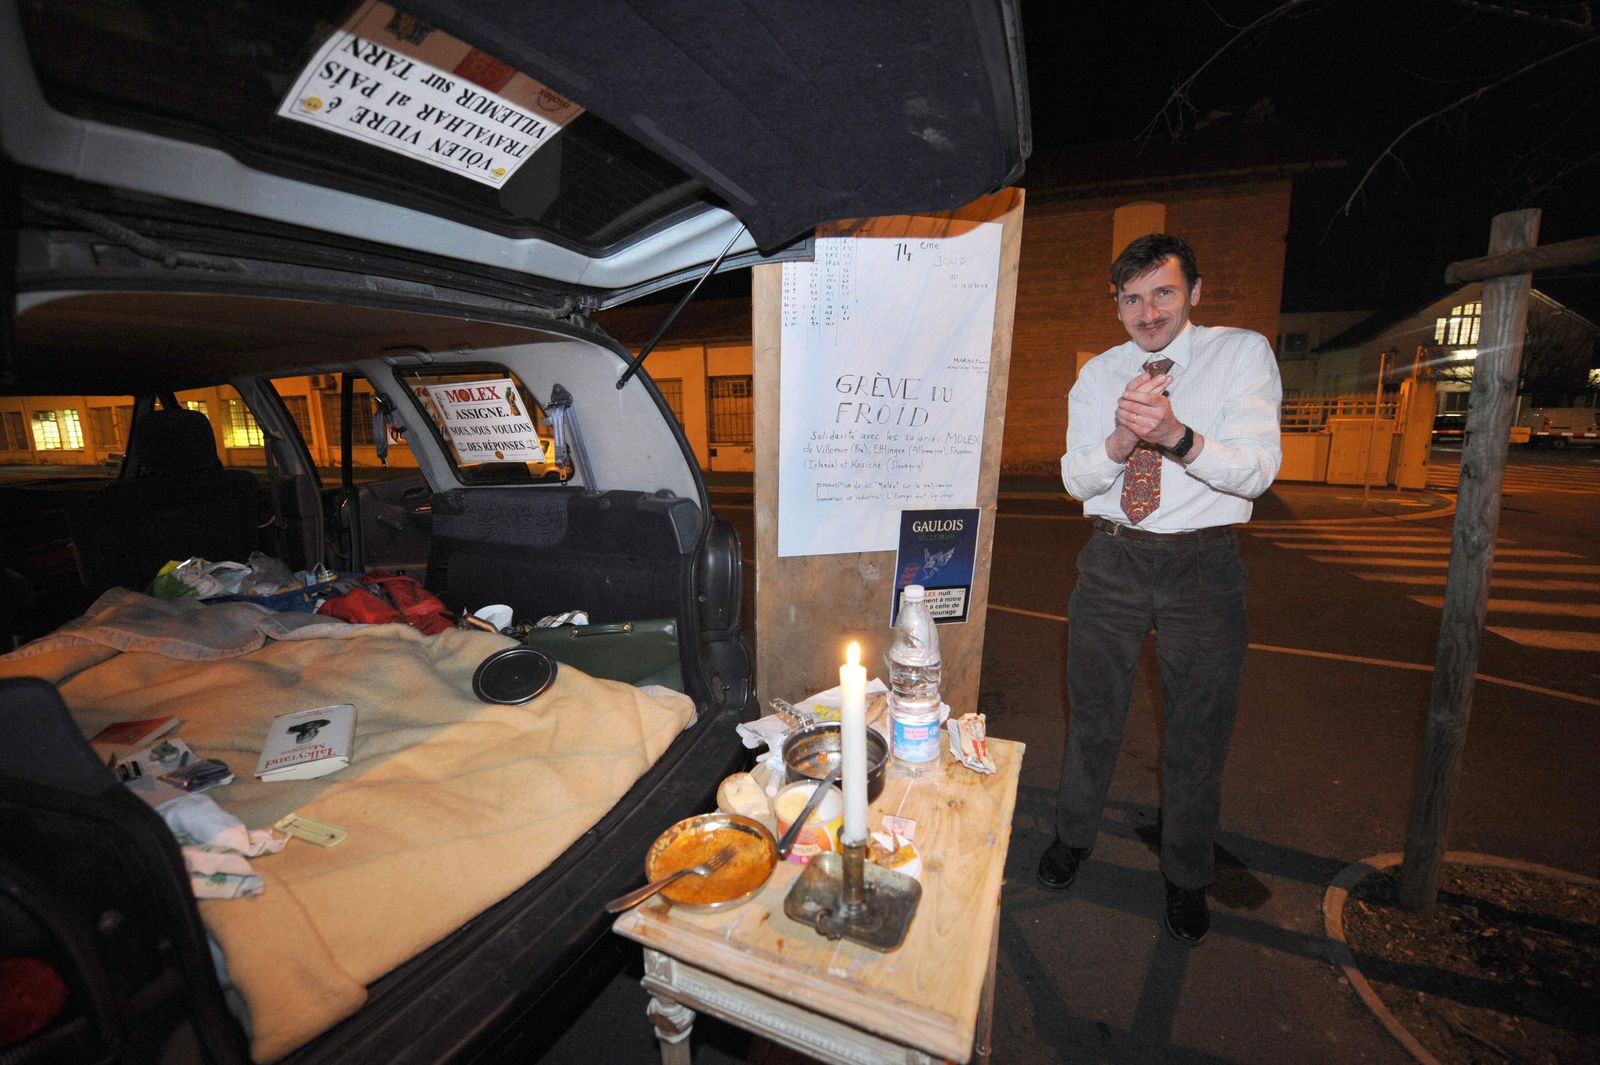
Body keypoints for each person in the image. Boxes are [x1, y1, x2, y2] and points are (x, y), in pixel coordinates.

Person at [1038, 233, 1282, 945]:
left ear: (1194, 293)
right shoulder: (1097, 375)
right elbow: (1076, 477)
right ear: (1117, 306)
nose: (1147, 311)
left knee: (1197, 733)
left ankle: (1186, 875)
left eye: (1163, 293)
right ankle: (1072, 836)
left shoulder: (1241, 354)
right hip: (1112, 561)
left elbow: (1257, 469)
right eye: (1132, 297)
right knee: (1093, 715)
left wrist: (1176, 435)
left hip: (1202, 568)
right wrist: (1119, 439)